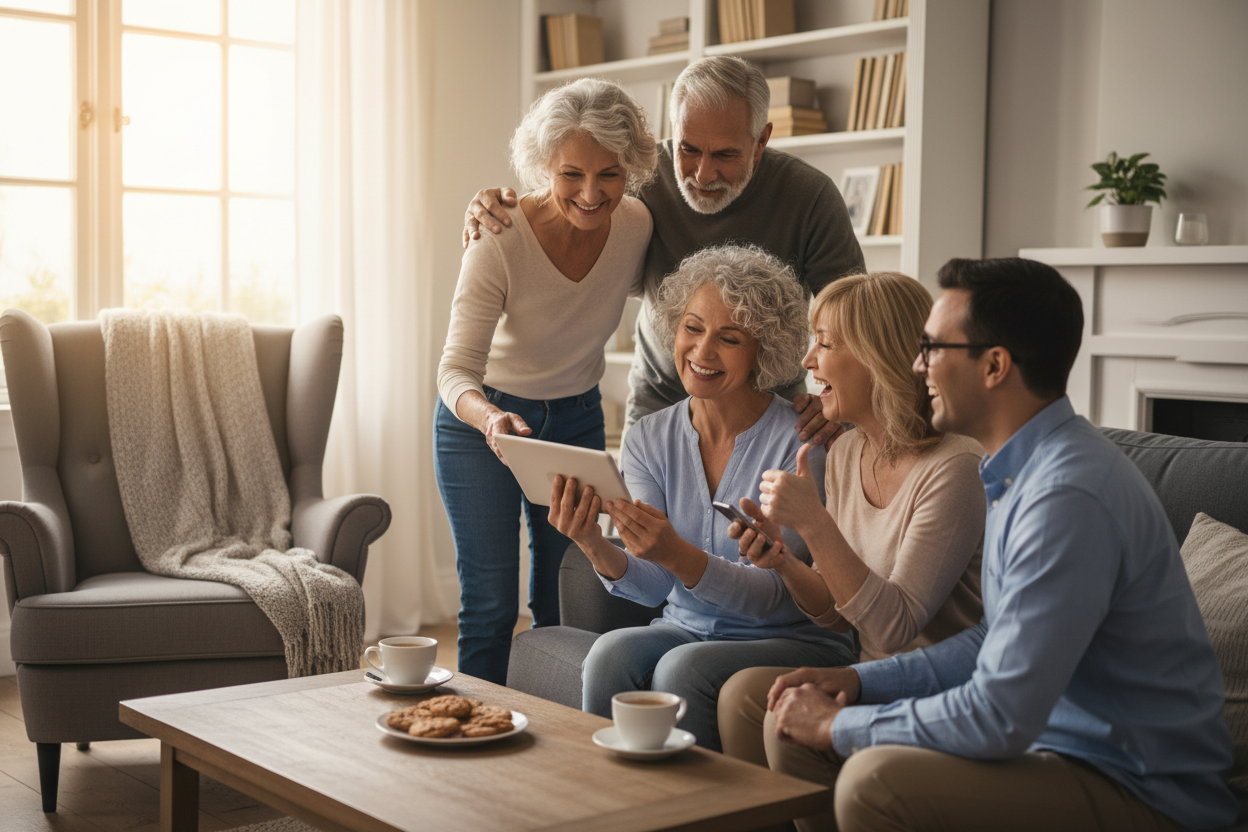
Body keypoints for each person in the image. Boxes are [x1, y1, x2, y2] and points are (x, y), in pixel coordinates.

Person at [765, 258, 1238, 832]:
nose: (918, 365)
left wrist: (839, 726)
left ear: (994, 365)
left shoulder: (1067, 495)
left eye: (935, 348)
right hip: (1059, 751)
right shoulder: (1019, 474)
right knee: (789, 728)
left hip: (1136, 784)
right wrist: (864, 681)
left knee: (875, 783)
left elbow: (999, 715)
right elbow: (992, 640)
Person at [547, 245, 856, 752]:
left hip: (790, 635)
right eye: (692, 327)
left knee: (682, 667)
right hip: (687, 626)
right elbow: (652, 590)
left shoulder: (802, 443)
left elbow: (776, 597)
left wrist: (676, 552)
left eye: (729, 338)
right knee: (609, 654)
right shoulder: (648, 437)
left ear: (765, 350)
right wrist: (592, 542)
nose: (702, 351)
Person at [463, 56, 864, 444]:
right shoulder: (637, 175)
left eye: (725, 154)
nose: (703, 174)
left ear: (761, 141)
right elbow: (568, 193)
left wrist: (834, 396)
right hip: (659, 401)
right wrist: (494, 204)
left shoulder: (811, 197)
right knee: (637, 515)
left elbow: (855, 322)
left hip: (770, 409)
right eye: (688, 148)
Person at [434, 78, 657, 685]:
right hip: (483, 425)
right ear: (542, 168)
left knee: (564, 604)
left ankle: (552, 747)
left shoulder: (637, 225)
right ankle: (473, 738)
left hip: (577, 418)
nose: (591, 194)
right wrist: (492, 420)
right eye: (570, 175)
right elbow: (454, 372)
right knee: (489, 606)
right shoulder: (499, 238)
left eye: (609, 174)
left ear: (632, 168)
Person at [716, 272, 986, 768]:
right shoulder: (846, 451)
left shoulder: (955, 468)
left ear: (876, 357)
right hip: (866, 671)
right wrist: (783, 561)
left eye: (824, 344)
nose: (807, 362)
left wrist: (815, 525)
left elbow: (895, 627)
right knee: (743, 698)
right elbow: (841, 613)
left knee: (783, 730)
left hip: (935, 689)